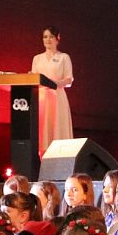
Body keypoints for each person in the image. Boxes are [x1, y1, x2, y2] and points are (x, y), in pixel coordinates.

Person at [31, 26, 74, 154]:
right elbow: (33, 78)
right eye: (45, 37)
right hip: (41, 99)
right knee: (42, 128)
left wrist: (55, 83)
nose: (48, 40)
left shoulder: (64, 57)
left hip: (57, 97)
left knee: (57, 127)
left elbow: (69, 79)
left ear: (57, 39)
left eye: (51, 37)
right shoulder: (37, 58)